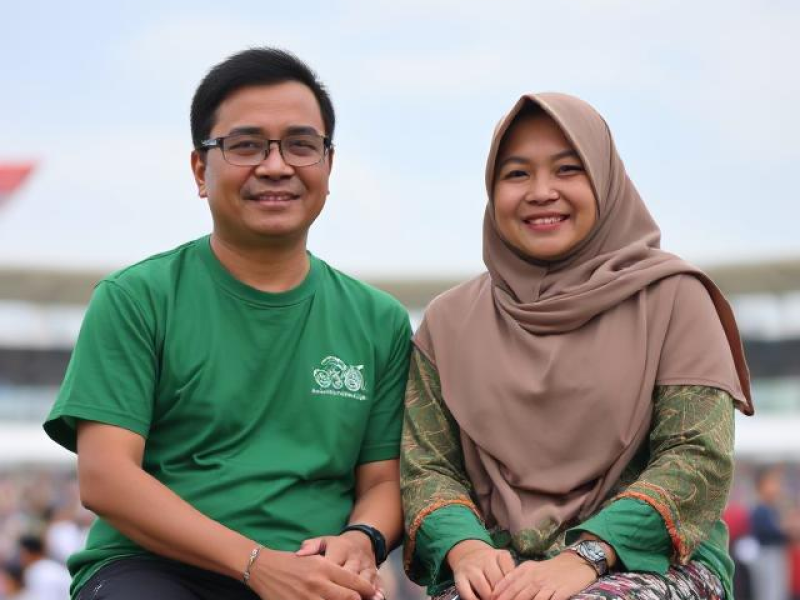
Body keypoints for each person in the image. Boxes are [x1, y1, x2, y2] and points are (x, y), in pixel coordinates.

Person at [43, 47, 411, 600]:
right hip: (154, 568)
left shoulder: (378, 320)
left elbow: (382, 480)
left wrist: (362, 539)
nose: (276, 165)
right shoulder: (136, 298)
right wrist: (257, 565)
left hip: (313, 570)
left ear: (328, 166)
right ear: (200, 169)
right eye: (245, 145)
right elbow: (107, 479)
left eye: (301, 145)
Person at [401, 93, 753, 600]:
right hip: (501, 568)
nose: (541, 192)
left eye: (568, 170)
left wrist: (584, 556)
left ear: (605, 181)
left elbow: (696, 459)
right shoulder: (449, 321)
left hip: (652, 562)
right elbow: (428, 467)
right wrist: (467, 549)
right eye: (517, 174)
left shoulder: (675, 298)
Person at [750, 466, 790, 600]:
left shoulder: (773, 507)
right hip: (767, 554)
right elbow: (769, 532)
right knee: (769, 593)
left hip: (775, 554)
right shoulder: (761, 509)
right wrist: (788, 530)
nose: (776, 487)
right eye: (772, 482)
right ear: (762, 485)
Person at [16, 535, 71, 600]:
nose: (18, 557)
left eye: (21, 552)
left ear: (27, 552)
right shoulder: (46, 566)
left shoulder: (39, 572)